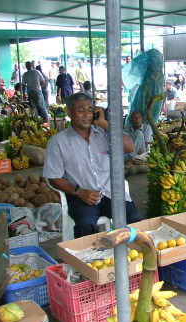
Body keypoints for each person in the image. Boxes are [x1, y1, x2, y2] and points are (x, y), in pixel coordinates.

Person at [43, 92, 142, 238]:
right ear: (70, 113)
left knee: (134, 219)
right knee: (85, 225)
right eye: (81, 110)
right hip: (81, 195)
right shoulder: (58, 142)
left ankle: (130, 257)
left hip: (110, 192)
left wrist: (104, 124)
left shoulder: (104, 133)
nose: (87, 115)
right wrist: (79, 192)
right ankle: (90, 259)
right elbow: (53, 177)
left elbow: (130, 147)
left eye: (90, 110)